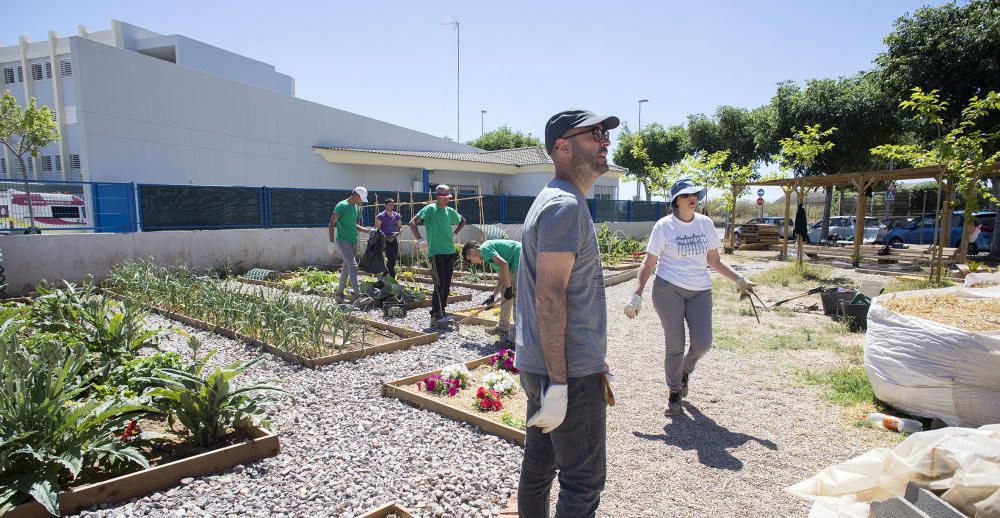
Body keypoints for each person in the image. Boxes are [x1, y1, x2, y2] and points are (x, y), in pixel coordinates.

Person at [515, 109, 618, 517]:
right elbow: (550, 299)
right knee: (583, 481)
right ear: (562, 146)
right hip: (566, 373)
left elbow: (567, 296)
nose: (604, 141)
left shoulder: (554, 200)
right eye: (593, 134)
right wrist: (560, 382)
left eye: (605, 134)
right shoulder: (565, 207)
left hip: (553, 365)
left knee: (540, 467)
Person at [624, 178, 755, 417]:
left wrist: (739, 279)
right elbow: (648, 262)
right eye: (685, 195)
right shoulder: (664, 226)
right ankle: (674, 392)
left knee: (703, 342)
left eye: (694, 193)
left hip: (700, 291)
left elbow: (714, 261)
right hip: (668, 289)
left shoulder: (705, 224)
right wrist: (637, 293)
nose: (691, 197)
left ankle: (684, 370)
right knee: (675, 343)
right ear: (676, 201)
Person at [408, 185, 466, 325]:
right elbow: (412, 223)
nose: (447, 201)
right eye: (444, 198)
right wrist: (420, 239)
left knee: (446, 285)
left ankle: (442, 311)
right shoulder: (430, 209)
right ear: (438, 197)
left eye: (448, 198)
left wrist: (455, 233)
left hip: (449, 252)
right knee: (438, 284)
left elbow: (462, 221)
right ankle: (435, 314)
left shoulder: (450, 211)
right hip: (435, 253)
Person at [461, 239, 520, 340]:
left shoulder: (485, 249)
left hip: (519, 256)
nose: (473, 263)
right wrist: (493, 296)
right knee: (505, 292)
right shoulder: (489, 257)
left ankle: (518, 333)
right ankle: (503, 327)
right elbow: (502, 279)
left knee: (515, 295)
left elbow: (504, 264)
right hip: (513, 261)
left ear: (472, 252)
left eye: (470, 260)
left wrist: (509, 287)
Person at [328, 186, 372, 300]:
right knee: (353, 266)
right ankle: (358, 295)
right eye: (361, 199)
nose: (362, 201)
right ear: (356, 195)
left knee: (346, 267)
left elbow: (355, 226)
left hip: (353, 240)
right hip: (343, 241)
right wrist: (331, 242)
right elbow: (331, 224)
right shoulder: (341, 205)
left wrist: (368, 230)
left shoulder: (357, 208)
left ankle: (339, 293)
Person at [375, 198, 402, 277]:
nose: (392, 206)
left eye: (393, 205)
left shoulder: (396, 215)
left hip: (394, 238)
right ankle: (393, 277)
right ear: (385, 206)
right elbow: (377, 229)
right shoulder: (380, 216)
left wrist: (399, 232)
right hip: (385, 240)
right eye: (390, 205)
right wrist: (383, 237)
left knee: (393, 258)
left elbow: (400, 226)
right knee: (390, 258)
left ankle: (384, 275)